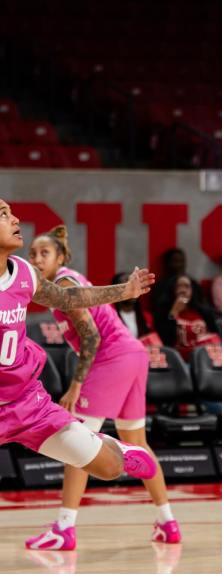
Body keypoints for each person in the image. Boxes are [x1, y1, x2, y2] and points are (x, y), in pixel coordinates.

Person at [0, 200, 157, 530]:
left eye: (11, 211)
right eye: (3, 214)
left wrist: (123, 290)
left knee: (111, 468)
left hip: (29, 402)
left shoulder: (24, 274)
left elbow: (70, 299)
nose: (15, 218)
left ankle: (115, 446)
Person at [24, 227, 181, 550]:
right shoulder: (65, 281)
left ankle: (64, 528)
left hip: (114, 357)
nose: (37, 259)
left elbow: (92, 337)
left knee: (77, 442)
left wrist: (76, 384)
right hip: (133, 354)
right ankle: (168, 522)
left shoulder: (65, 285)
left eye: (45, 253)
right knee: (137, 443)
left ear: (61, 257)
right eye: (33, 254)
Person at [153, 274, 219, 361]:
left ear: (192, 291)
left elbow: (215, 337)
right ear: (172, 290)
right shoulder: (163, 312)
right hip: (178, 362)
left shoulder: (204, 312)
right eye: (179, 286)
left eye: (187, 287)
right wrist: (174, 312)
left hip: (204, 360)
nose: (183, 290)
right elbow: (164, 341)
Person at [111, 272, 155, 340]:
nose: (132, 290)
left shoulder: (147, 317)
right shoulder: (110, 316)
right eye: (126, 286)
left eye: (134, 286)